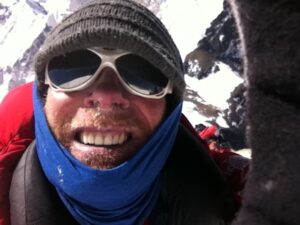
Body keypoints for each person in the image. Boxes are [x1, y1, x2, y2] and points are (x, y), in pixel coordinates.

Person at [1, 1, 241, 225]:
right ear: (43, 94)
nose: (106, 96)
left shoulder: (255, 194)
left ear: (170, 108)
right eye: (71, 70)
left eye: (143, 75)